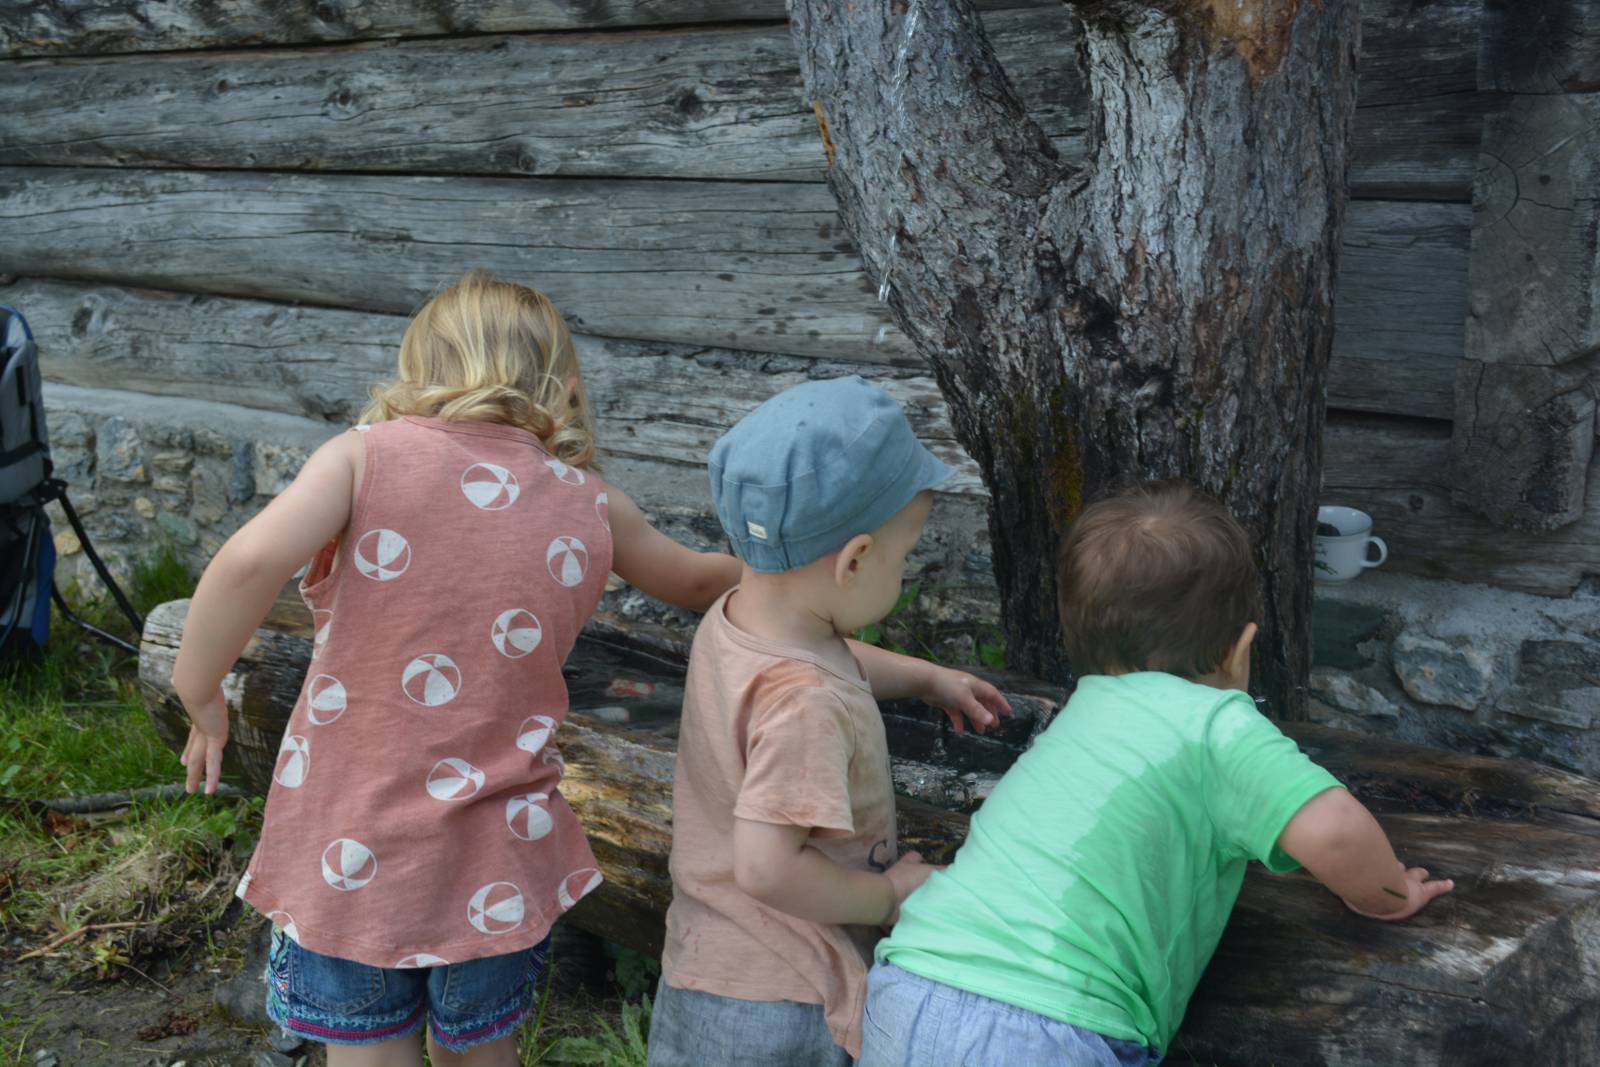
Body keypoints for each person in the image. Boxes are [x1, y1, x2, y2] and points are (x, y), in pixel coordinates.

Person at [170, 270, 742, 1067]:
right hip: (498, 852)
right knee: (483, 1051)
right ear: (566, 392)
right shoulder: (591, 502)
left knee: (369, 1048)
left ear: (416, 374)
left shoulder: (362, 459)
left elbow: (249, 562)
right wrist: (796, 570)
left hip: (352, 847)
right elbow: (697, 581)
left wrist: (199, 688)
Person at [860, 481, 1456, 1067]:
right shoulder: (1215, 725)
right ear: (1240, 651)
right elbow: (1335, 833)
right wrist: (1386, 896)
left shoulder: (1079, 717)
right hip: (1047, 1026)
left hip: (910, 981)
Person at [647, 376, 1013, 1067]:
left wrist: (927, 677)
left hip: (706, 964)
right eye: (904, 556)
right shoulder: (805, 703)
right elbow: (765, 866)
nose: (903, 570)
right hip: (783, 994)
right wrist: (885, 895)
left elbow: (830, 658)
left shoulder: (740, 619)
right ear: (854, 561)